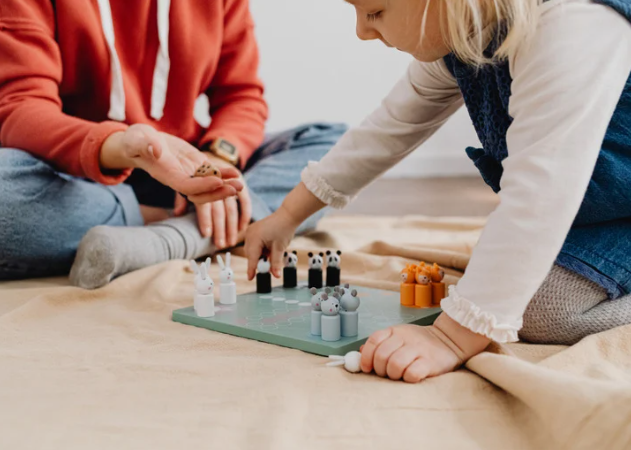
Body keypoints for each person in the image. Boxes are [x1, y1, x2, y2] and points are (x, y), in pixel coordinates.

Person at [245, 0, 631, 382]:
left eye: (375, 12)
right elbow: (389, 128)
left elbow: (539, 193)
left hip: (614, 210)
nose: (362, 32)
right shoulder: (464, 31)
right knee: (508, 276)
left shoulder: (576, 22)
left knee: (542, 311)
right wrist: (288, 214)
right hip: (590, 207)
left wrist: (450, 337)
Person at [0, 0, 346, 288]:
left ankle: (169, 238)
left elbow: (241, 95)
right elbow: (20, 105)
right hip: (75, 179)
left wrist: (215, 162)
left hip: (187, 166)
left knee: (338, 151)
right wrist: (120, 145)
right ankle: (192, 223)